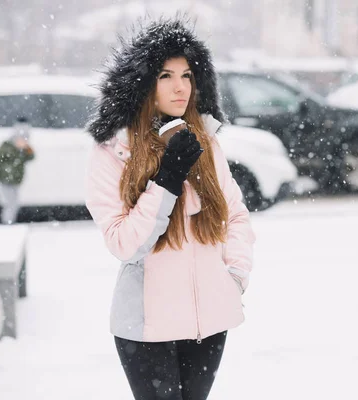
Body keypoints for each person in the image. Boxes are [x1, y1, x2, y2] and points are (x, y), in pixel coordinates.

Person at [84, 16, 255, 400]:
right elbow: (125, 243)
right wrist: (167, 179)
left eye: (188, 75)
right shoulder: (114, 151)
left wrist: (235, 275)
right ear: (143, 83)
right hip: (146, 329)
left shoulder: (206, 143)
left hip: (209, 321)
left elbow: (235, 215)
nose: (180, 87)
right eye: (165, 75)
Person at [0, 116, 35, 224]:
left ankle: (8, 221)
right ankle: (7, 222)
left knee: (13, 202)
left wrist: (26, 148)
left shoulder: (23, 149)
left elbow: (31, 157)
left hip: (15, 180)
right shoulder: (6, 146)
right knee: (11, 203)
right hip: (6, 179)